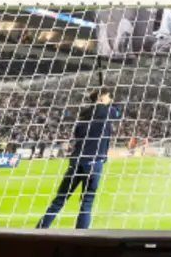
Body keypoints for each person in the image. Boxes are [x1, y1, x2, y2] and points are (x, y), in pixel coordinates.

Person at [36, 88, 123, 229]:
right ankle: (81, 234)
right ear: (101, 98)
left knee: (59, 200)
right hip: (93, 161)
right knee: (86, 202)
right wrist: (109, 105)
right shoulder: (105, 112)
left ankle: (40, 230)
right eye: (108, 97)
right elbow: (117, 112)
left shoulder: (84, 114)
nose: (110, 99)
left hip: (76, 160)